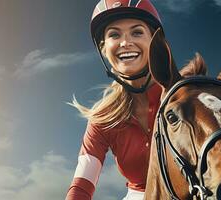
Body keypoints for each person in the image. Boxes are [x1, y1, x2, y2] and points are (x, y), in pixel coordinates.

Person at [65, 0, 165, 200]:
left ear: (156, 42)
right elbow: (82, 187)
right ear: (103, 48)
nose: (125, 42)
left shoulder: (186, 96)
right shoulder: (102, 118)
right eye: (114, 34)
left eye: (137, 32)